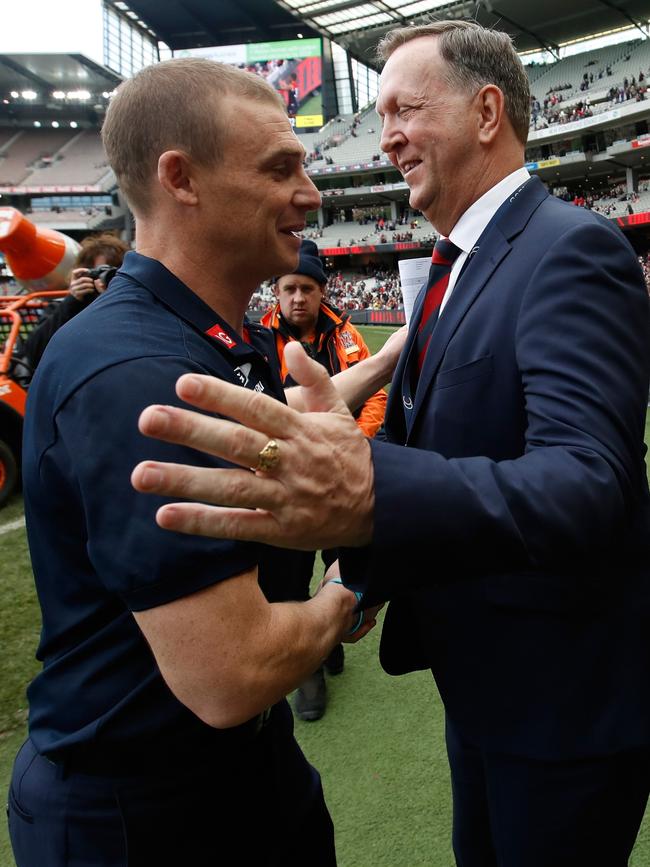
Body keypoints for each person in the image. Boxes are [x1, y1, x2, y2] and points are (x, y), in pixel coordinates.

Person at [131, 22, 650, 867]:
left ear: (488, 112)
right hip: (484, 686)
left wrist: (370, 487)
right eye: (379, 117)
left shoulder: (569, 249)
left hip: (563, 706)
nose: (387, 137)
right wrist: (360, 560)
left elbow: (588, 482)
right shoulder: (457, 267)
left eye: (406, 109)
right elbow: (441, 439)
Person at [7, 58, 404, 867]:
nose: (312, 193)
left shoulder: (198, 335)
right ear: (180, 178)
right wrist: (352, 586)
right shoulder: (135, 371)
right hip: (146, 812)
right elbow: (233, 673)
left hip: (238, 772)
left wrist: (390, 357)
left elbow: (261, 425)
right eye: (279, 167)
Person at [260, 239, 387, 720]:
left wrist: (351, 444)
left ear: (321, 292)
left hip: (339, 473)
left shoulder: (346, 335)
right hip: (285, 477)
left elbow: (374, 395)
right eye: (289, 288)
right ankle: (307, 671)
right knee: (285, 579)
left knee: (343, 566)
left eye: (307, 288)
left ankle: (329, 637)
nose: (297, 298)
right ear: (276, 292)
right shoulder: (253, 338)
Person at [18, 232, 129, 377]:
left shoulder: (132, 306)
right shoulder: (65, 307)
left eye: (110, 272)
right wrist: (71, 301)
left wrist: (111, 299)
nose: (103, 279)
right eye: (97, 272)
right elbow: (34, 354)